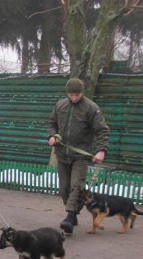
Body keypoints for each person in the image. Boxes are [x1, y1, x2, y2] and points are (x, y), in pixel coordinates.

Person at [47, 77, 109, 234]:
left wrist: (101, 150)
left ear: (82, 93)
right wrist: (52, 136)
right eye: (71, 95)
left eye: (77, 95)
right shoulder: (60, 105)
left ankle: (69, 217)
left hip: (80, 156)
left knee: (76, 185)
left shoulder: (91, 108)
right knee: (64, 189)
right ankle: (73, 212)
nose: (74, 98)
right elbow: (51, 123)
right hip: (62, 154)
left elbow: (102, 130)